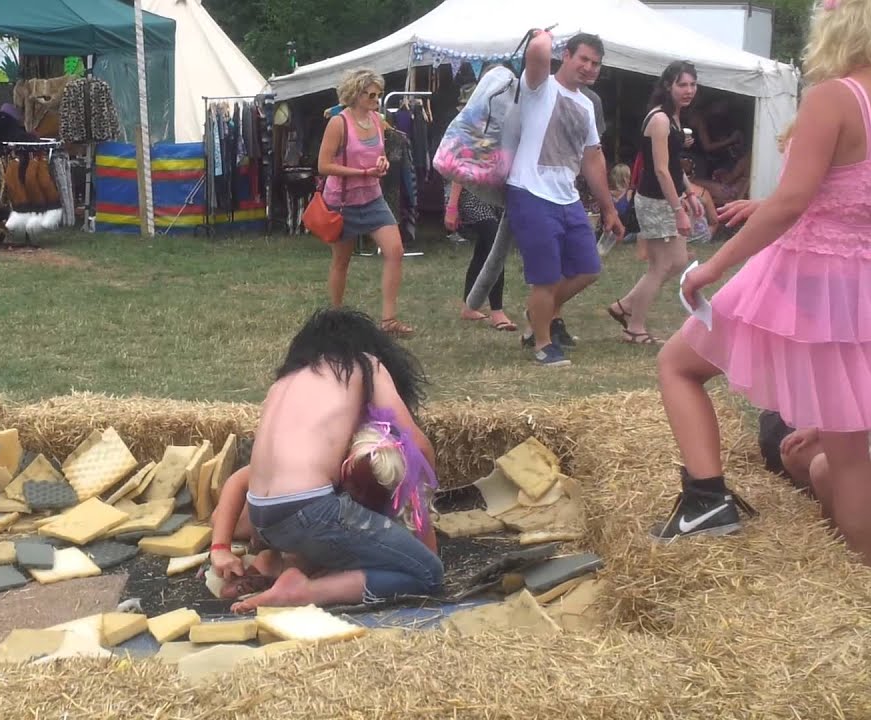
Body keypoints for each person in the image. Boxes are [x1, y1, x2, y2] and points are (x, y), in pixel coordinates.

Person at [653, 0, 871, 565]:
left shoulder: (836, 96)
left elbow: (797, 202)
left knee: (677, 364)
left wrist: (711, 266)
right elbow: (841, 191)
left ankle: (705, 499)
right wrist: (772, 204)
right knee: (849, 455)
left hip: (805, 276)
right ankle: (861, 583)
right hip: (858, 283)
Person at [210, 308, 444, 612]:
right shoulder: (365, 364)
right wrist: (423, 512)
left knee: (331, 537)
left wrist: (219, 547)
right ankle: (306, 592)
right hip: (309, 510)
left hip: (263, 518)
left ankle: (280, 567)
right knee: (428, 573)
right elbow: (416, 445)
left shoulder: (284, 382)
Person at [506, 32, 624, 367]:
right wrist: (544, 35)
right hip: (530, 192)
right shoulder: (539, 87)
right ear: (566, 55)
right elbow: (538, 51)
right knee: (545, 277)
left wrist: (608, 207)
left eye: (596, 63)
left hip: (566, 196)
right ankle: (542, 342)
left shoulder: (587, 104)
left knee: (588, 268)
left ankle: (537, 314)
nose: (588, 68)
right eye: (583, 59)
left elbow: (592, 158)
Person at [608, 61, 700, 346]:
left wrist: (691, 193)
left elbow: (673, 167)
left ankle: (624, 306)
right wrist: (678, 210)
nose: (688, 90)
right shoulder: (660, 119)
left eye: (692, 85)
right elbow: (660, 170)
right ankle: (634, 327)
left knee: (678, 262)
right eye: (682, 85)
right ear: (668, 86)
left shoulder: (673, 119)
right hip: (655, 200)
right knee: (660, 266)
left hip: (668, 197)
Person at [317, 69, 413, 338]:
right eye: (371, 94)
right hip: (343, 202)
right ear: (354, 94)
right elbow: (323, 166)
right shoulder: (338, 123)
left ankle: (389, 320)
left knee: (395, 250)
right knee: (341, 261)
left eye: (379, 94)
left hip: (372, 197)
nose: (376, 99)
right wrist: (360, 173)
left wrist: (381, 163)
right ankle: (335, 318)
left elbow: (379, 153)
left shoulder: (377, 120)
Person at [446, 183, 514, 330]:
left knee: (482, 252)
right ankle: (497, 311)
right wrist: (451, 207)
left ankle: (468, 307)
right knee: (495, 245)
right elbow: (459, 172)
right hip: (472, 195)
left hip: (494, 195)